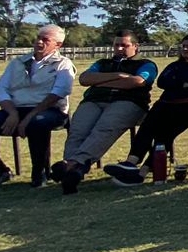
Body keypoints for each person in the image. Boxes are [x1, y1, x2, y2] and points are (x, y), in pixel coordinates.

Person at [0, 23, 76, 190]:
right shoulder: (18, 63)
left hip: (49, 111)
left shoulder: (62, 64)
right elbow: (1, 90)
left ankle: (40, 173)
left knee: (37, 123)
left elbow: (58, 93)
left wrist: (29, 117)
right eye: (38, 38)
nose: (39, 42)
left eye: (45, 39)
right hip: (15, 110)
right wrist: (12, 113)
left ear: (58, 45)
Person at [52, 30, 158, 195]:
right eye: (117, 45)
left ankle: (74, 164)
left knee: (104, 128)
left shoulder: (145, 64)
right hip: (94, 101)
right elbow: (85, 79)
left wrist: (102, 81)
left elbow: (137, 82)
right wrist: (117, 76)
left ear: (136, 47)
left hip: (128, 102)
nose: (120, 48)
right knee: (78, 130)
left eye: (125, 45)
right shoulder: (102, 63)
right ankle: (73, 171)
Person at [104, 35, 188, 186]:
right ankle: (132, 162)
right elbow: (162, 82)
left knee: (166, 131)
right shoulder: (175, 65)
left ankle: (143, 171)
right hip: (168, 105)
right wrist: (185, 83)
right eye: (183, 46)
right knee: (148, 125)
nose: (185, 49)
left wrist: (177, 81)